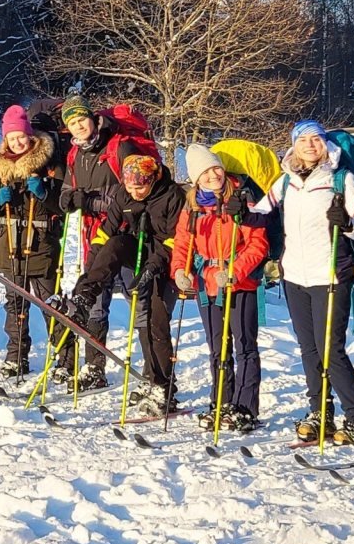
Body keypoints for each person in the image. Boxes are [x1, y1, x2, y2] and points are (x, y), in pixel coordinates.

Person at [251, 120, 354, 446]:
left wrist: (347, 224)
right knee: (309, 350)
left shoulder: (340, 179)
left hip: (331, 275)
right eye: (303, 139)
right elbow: (257, 215)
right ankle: (320, 412)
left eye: (316, 139)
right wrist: (239, 207)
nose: (309, 144)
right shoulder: (285, 183)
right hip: (294, 276)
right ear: (293, 145)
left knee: (330, 350)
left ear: (325, 144)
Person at [57, 152, 183, 413]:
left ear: (153, 178)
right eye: (130, 186)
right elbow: (105, 233)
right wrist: (88, 272)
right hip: (135, 250)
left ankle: (162, 386)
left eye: (140, 186)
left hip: (165, 262)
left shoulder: (172, 196)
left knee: (154, 323)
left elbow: (175, 240)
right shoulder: (123, 195)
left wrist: (151, 270)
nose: (135, 192)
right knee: (112, 245)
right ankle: (84, 297)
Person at [171, 144, 267, 433]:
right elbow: (183, 243)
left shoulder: (242, 198)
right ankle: (221, 402)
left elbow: (258, 243)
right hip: (207, 284)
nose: (213, 175)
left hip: (241, 283)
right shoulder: (193, 207)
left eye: (215, 168)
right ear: (196, 179)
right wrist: (179, 271)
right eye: (205, 172)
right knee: (217, 348)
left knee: (244, 346)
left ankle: (245, 407)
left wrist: (235, 272)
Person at [53, 96, 140, 389]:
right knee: (94, 302)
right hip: (94, 236)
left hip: (127, 235)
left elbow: (131, 193)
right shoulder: (74, 155)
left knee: (137, 299)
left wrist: (91, 201)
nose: (79, 127)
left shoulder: (119, 146)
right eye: (72, 123)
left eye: (81, 120)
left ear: (92, 118)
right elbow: (66, 192)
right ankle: (94, 368)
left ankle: (155, 370)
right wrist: (70, 200)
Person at [0, 106, 64, 379]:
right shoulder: (1, 164)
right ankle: (16, 356)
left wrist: (44, 193)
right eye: (11, 137)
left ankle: (66, 356)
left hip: (41, 243)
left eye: (21, 136)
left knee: (50, 302)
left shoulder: (49, 161)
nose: (17, 142)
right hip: (9, 244)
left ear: (29, 135)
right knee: (15, 304)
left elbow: (64, 203)